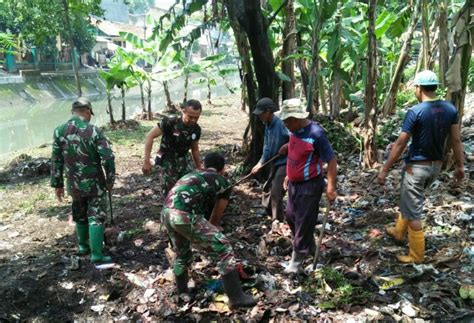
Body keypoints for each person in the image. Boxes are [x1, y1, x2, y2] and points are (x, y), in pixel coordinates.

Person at [378, 70, 464, 263]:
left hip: (416, 167)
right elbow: (456, 140)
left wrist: (384, 169)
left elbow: (400, 143)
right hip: (436, 167)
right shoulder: (450, 109)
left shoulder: (415, 112)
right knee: (410, 199)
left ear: (418, 88)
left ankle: (416, 255)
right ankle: (399, 231)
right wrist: (460, 166)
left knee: (414, 209)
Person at [161, 152, 256, 308]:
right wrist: (210, 237)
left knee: (182, 253)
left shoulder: (193, 174)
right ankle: (237, 298)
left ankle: (182, 292)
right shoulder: (223, 182)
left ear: (204, 165)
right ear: (222, 169)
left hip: (166, 213)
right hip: (183, 215)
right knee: (224, 245)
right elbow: (216, 217)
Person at [51, 97, 115, 264]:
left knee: (79, 214)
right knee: (96, 216)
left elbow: (56, 160)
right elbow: (108, 157)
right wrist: (110, 179)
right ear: (87, 112)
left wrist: (57, 184)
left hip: (73, 183)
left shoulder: (59, 131)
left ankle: (83, 247)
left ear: (72, 112)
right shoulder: (94, 131)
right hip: (95, 183)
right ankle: (97, 255)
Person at [279, 98, 338, 274]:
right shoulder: (294, 131)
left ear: (295, 119)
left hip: (309, 185)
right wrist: (287, 149)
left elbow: (332, 161)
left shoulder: (316, 133)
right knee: (291, 216)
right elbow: (297, 147)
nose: (285, 124)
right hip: (294, 184)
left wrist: (331, 188)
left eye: (286, 121)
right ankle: (310, 247)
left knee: (304, 221)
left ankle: (296, 262)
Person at [142, 100, 203, 196]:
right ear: (183, 111)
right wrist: (146, 161)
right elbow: (150, 136)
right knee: (169, 192)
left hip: (183, 158)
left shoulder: (196, 129)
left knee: (187, 188)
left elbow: (194, 149)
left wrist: (199, 167)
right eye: (190, 117)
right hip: (166, 158)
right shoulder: (170, 122)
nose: (193, 120)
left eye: (197, 117)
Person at [251, 97, 289, 221]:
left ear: (268, 111)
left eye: (261, 113)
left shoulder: (281, 122)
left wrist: (287, 145)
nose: (260, 116)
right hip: (275, 161)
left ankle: (277, 221)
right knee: (267, 188)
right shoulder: (267, 124)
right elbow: (267, 147)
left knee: (276, 192)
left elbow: (297, 137)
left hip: (286, 162)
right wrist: (260, 163)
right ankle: (269, 212)